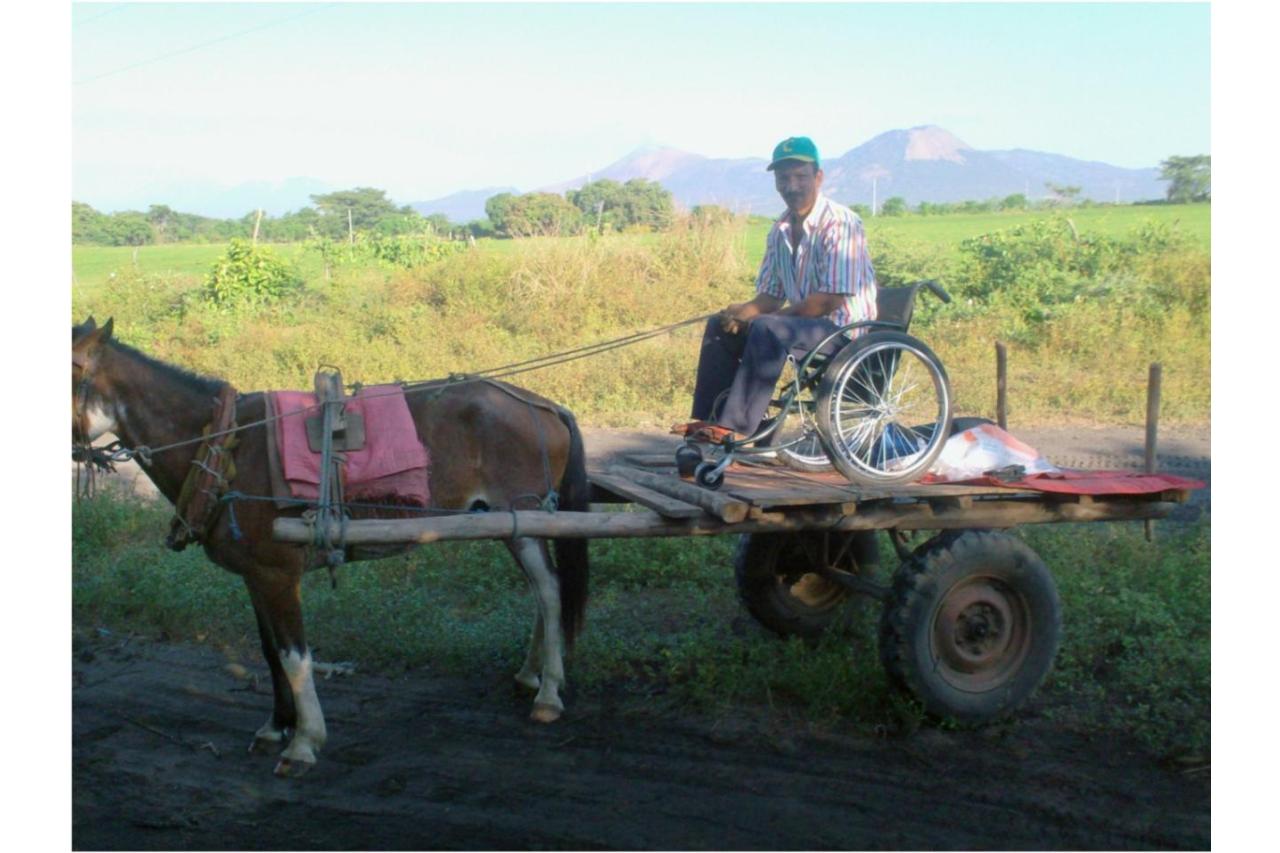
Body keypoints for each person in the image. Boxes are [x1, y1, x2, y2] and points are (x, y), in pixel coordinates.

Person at [674, 135, 878, 443]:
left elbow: (828, 300)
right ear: (776, 182)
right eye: (784, 178)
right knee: (721, 324)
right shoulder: (779, 229)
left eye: (800, 176)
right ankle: (712, 419)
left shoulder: (840, 223)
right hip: (800, 328)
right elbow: (770, 295)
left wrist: (764, 320)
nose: (792, 185)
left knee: (768, 328)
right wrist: (741, 312)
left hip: (842, 333)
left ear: (818, 177)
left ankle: (738, 426)